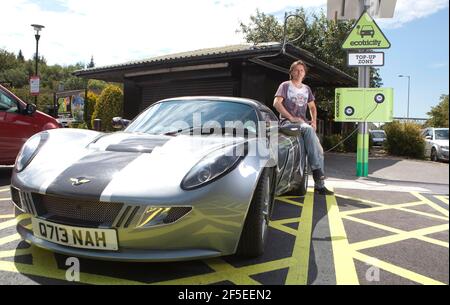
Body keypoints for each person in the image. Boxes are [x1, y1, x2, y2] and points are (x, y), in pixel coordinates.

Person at [273, 60, 334, 195]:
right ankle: (318, 172)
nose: (299, 72)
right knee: (307, 129)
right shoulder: (285, 85)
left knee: (319, 150)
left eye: (302, 70)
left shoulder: (307, 89)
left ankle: (320, 185)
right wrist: (290, 117)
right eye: (296, 70)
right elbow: (276, 103)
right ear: (291, 72)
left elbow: (312, 107)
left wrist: (314, 121)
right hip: (287, 124)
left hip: (303, 124)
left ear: (304, 73)